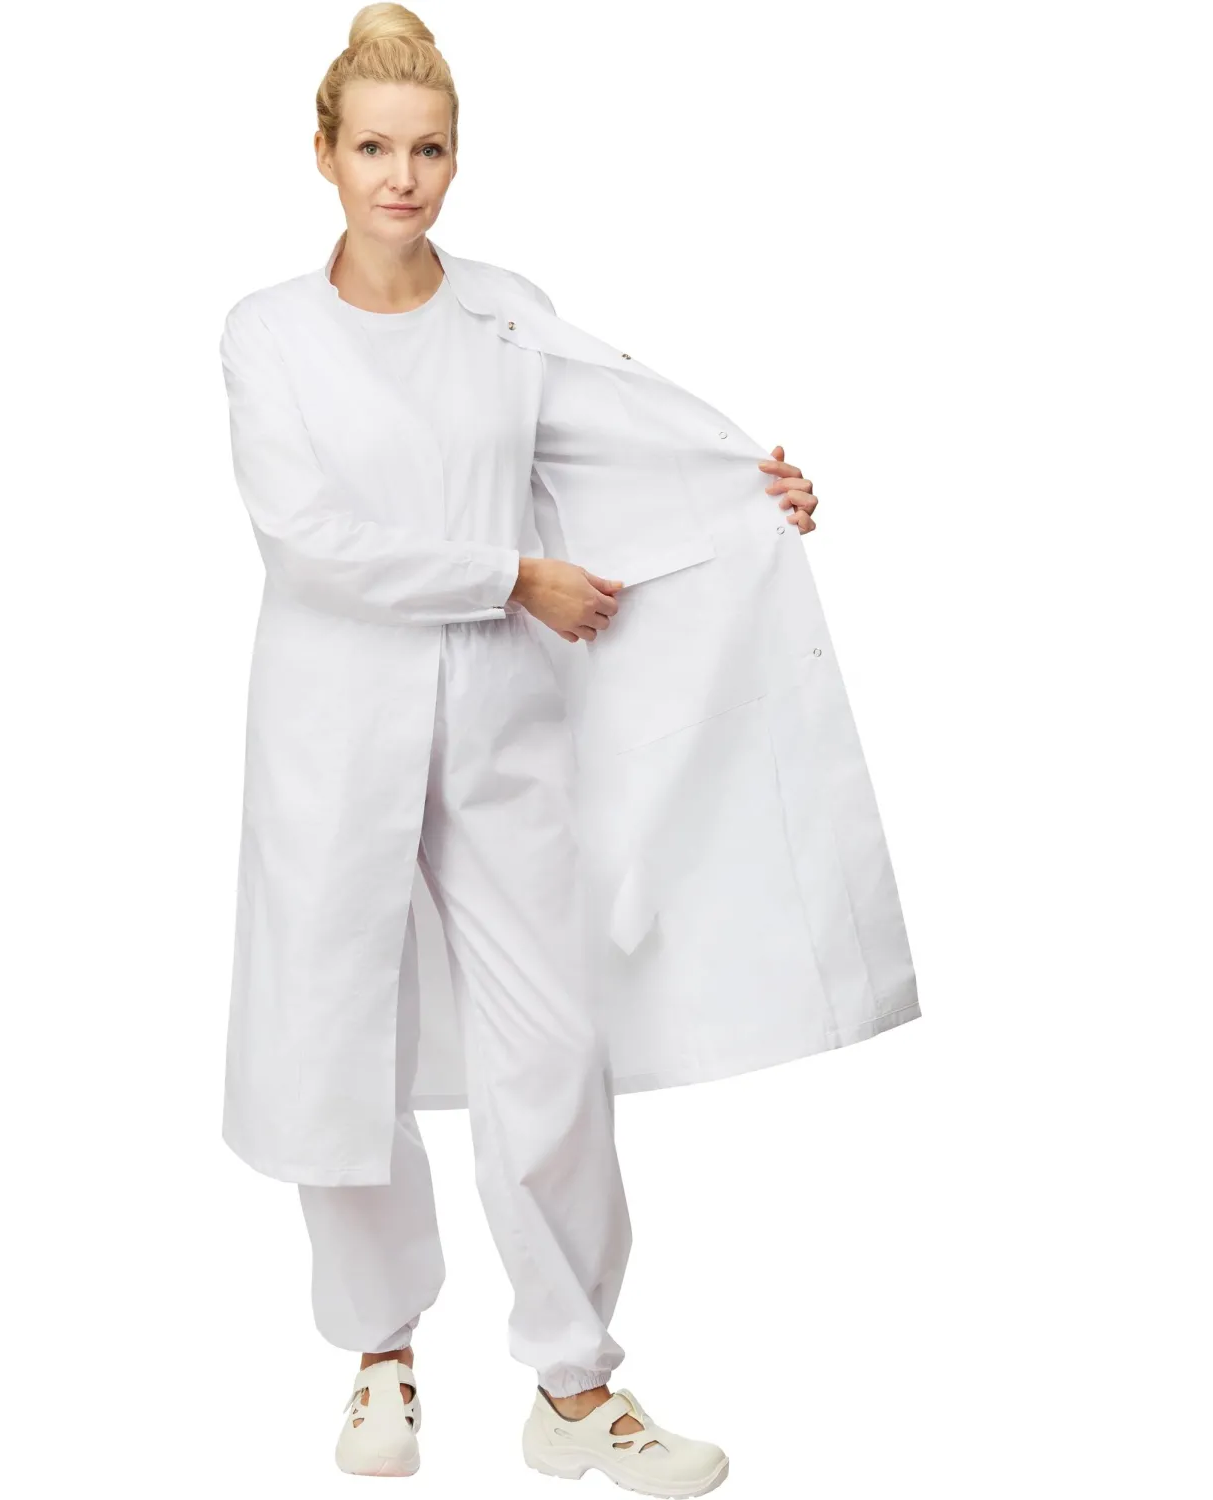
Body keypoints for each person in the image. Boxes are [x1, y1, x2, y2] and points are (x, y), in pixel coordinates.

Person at [217, 7, 904, 1495]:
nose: (402, 178)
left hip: (498, 717)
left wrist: (750, 490)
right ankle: (381, 1353)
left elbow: (618, 452)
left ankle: (575, 1384)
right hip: (334, 724)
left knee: (551, 1045)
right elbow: (307, 539)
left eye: (428, 149)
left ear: (457, 157)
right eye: (374, 148)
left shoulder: (505, 313)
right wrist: (509, 575)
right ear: (323, 154)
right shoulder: (267, 333)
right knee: (340, 1035)